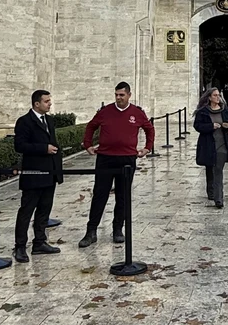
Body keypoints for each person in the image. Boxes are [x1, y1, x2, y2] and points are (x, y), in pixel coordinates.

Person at [78, 82, 154, 248]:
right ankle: (91, 231)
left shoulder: (137, 113)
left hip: (127, 159)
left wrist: (148, 147)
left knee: (123, 195)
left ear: (129, 95)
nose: (119, 98)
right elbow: (91, 126)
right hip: (106, 158)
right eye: (116, 95)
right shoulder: (105, 112)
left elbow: (149, 129)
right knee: (100, 194)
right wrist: (88, 144)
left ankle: (118, 229)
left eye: (122, 95)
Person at [13, 89, 63, 262]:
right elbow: (19, 145)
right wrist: (44, 148)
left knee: (44, 210)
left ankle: (39, 242)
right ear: (37, 103)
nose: (50, 103)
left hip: (49, 173)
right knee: (26, 211)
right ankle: (20, 247)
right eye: (46, 101)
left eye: (50, 100)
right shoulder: (25, 122)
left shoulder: (49, 120)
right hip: (33, 174)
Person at [193, 87, 228, 207]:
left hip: (222, 145)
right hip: (208, 144)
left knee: (218, 171)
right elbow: (197, 126)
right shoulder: (203, 111)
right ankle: (211, 192)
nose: (218, 97)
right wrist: (211, 126)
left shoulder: (224, 110)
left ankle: (218, 199)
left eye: (219, 95)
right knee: (210, 169)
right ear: (209, 97)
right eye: (215, 95)